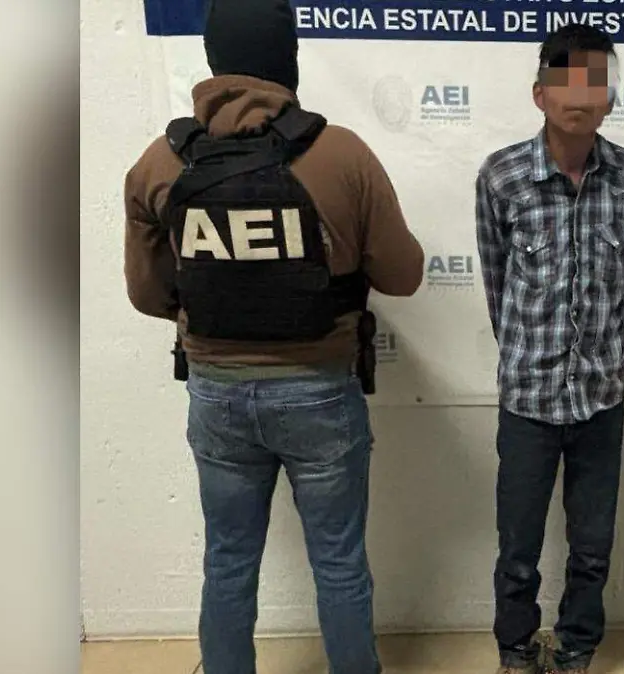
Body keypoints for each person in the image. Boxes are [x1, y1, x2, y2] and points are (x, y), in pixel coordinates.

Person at [122, 1, 424, 672]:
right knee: (339, 562)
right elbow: (403, 277)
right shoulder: (341, 153)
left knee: (228, 562)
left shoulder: (159, 164)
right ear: (289, 60)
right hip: (319, 393)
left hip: (216, 396)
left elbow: (146, 295)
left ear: (213, 61)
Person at [474, 23, 624, 674]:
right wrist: (530, 357)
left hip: (602, 398)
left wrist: (597, 356)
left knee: (593, 548)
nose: (580, 95)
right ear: (540, 94)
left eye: (594, 81)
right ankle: (516, 650)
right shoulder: (502, 177)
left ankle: (577, 649)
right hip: (528, 399)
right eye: (566, 80)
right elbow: (496, 283)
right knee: (518, 549)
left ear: (610, 97)